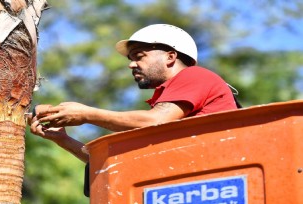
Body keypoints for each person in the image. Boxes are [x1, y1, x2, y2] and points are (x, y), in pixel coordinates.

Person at [29, 24, 239, 163]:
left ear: (170, 57)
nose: (131, 64)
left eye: (139, 56)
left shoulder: (195, 76)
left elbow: (154, 121)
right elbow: (120, 164)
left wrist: (86, 114)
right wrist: (62, 140)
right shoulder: (168, 108)